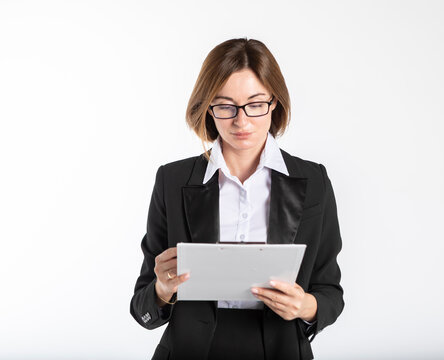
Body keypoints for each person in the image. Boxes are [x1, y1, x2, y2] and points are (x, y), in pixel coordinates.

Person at [130, 38, 344, 360]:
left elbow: (330, 292)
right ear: (207, 108)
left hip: (280, 349)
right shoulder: (172, 181)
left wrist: (304, 306)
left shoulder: (314, 181)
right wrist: (162, 289)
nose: (241, 121)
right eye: (225, 106)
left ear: (275, 103)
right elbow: (142, 307)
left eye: (255, 104)